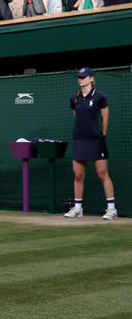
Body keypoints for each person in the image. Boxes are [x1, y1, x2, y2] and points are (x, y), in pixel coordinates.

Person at [64, 68, 117, 220]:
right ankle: (78, 209)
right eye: (79, 77)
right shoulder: (74, 98)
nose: (80, 79)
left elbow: (105, 118)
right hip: (79, 139)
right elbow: (77, 116)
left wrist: (102, 135)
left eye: (83, 77)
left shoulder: (101, 96)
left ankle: (112, 209)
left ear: (91, 79)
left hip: (96, 140)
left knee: (102, 174)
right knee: (78, 175)